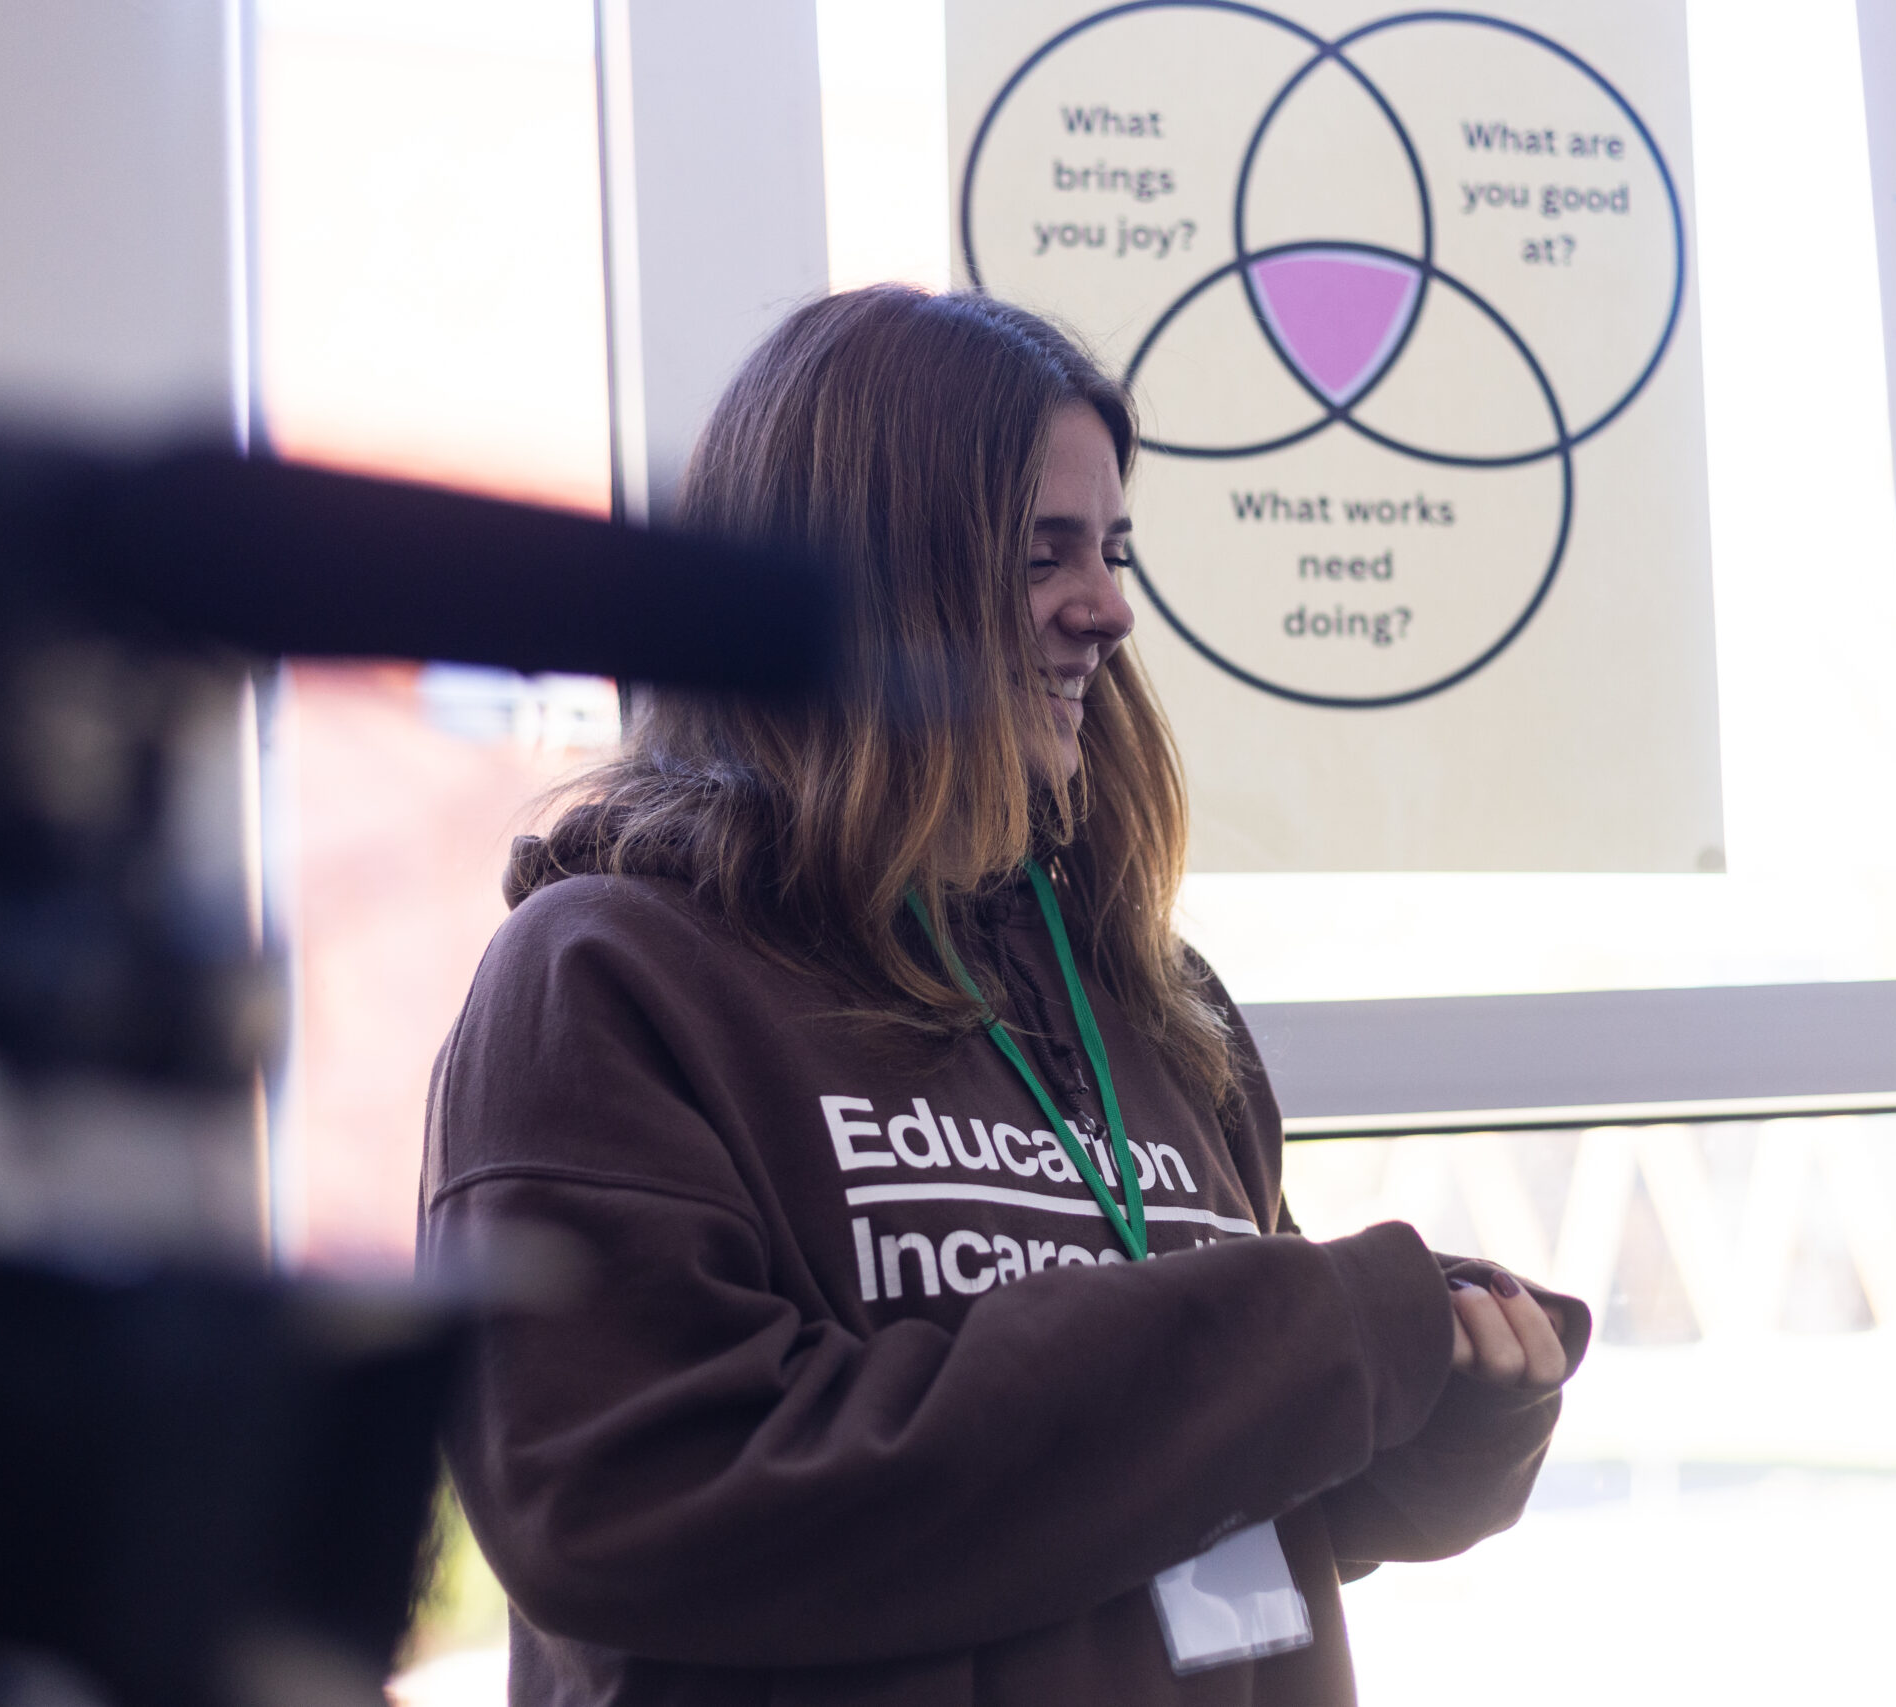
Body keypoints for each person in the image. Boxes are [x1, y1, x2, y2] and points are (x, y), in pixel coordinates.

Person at [419, 285, 1589, 1707]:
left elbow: (1202, 1489)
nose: (1106, 610)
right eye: (1043, 556)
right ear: (861, 584)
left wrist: (1448, 1420)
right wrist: (1313, 1333)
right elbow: (634, 1505)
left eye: (1113, 551)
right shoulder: (609, 978)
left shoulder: (1147, 1000)